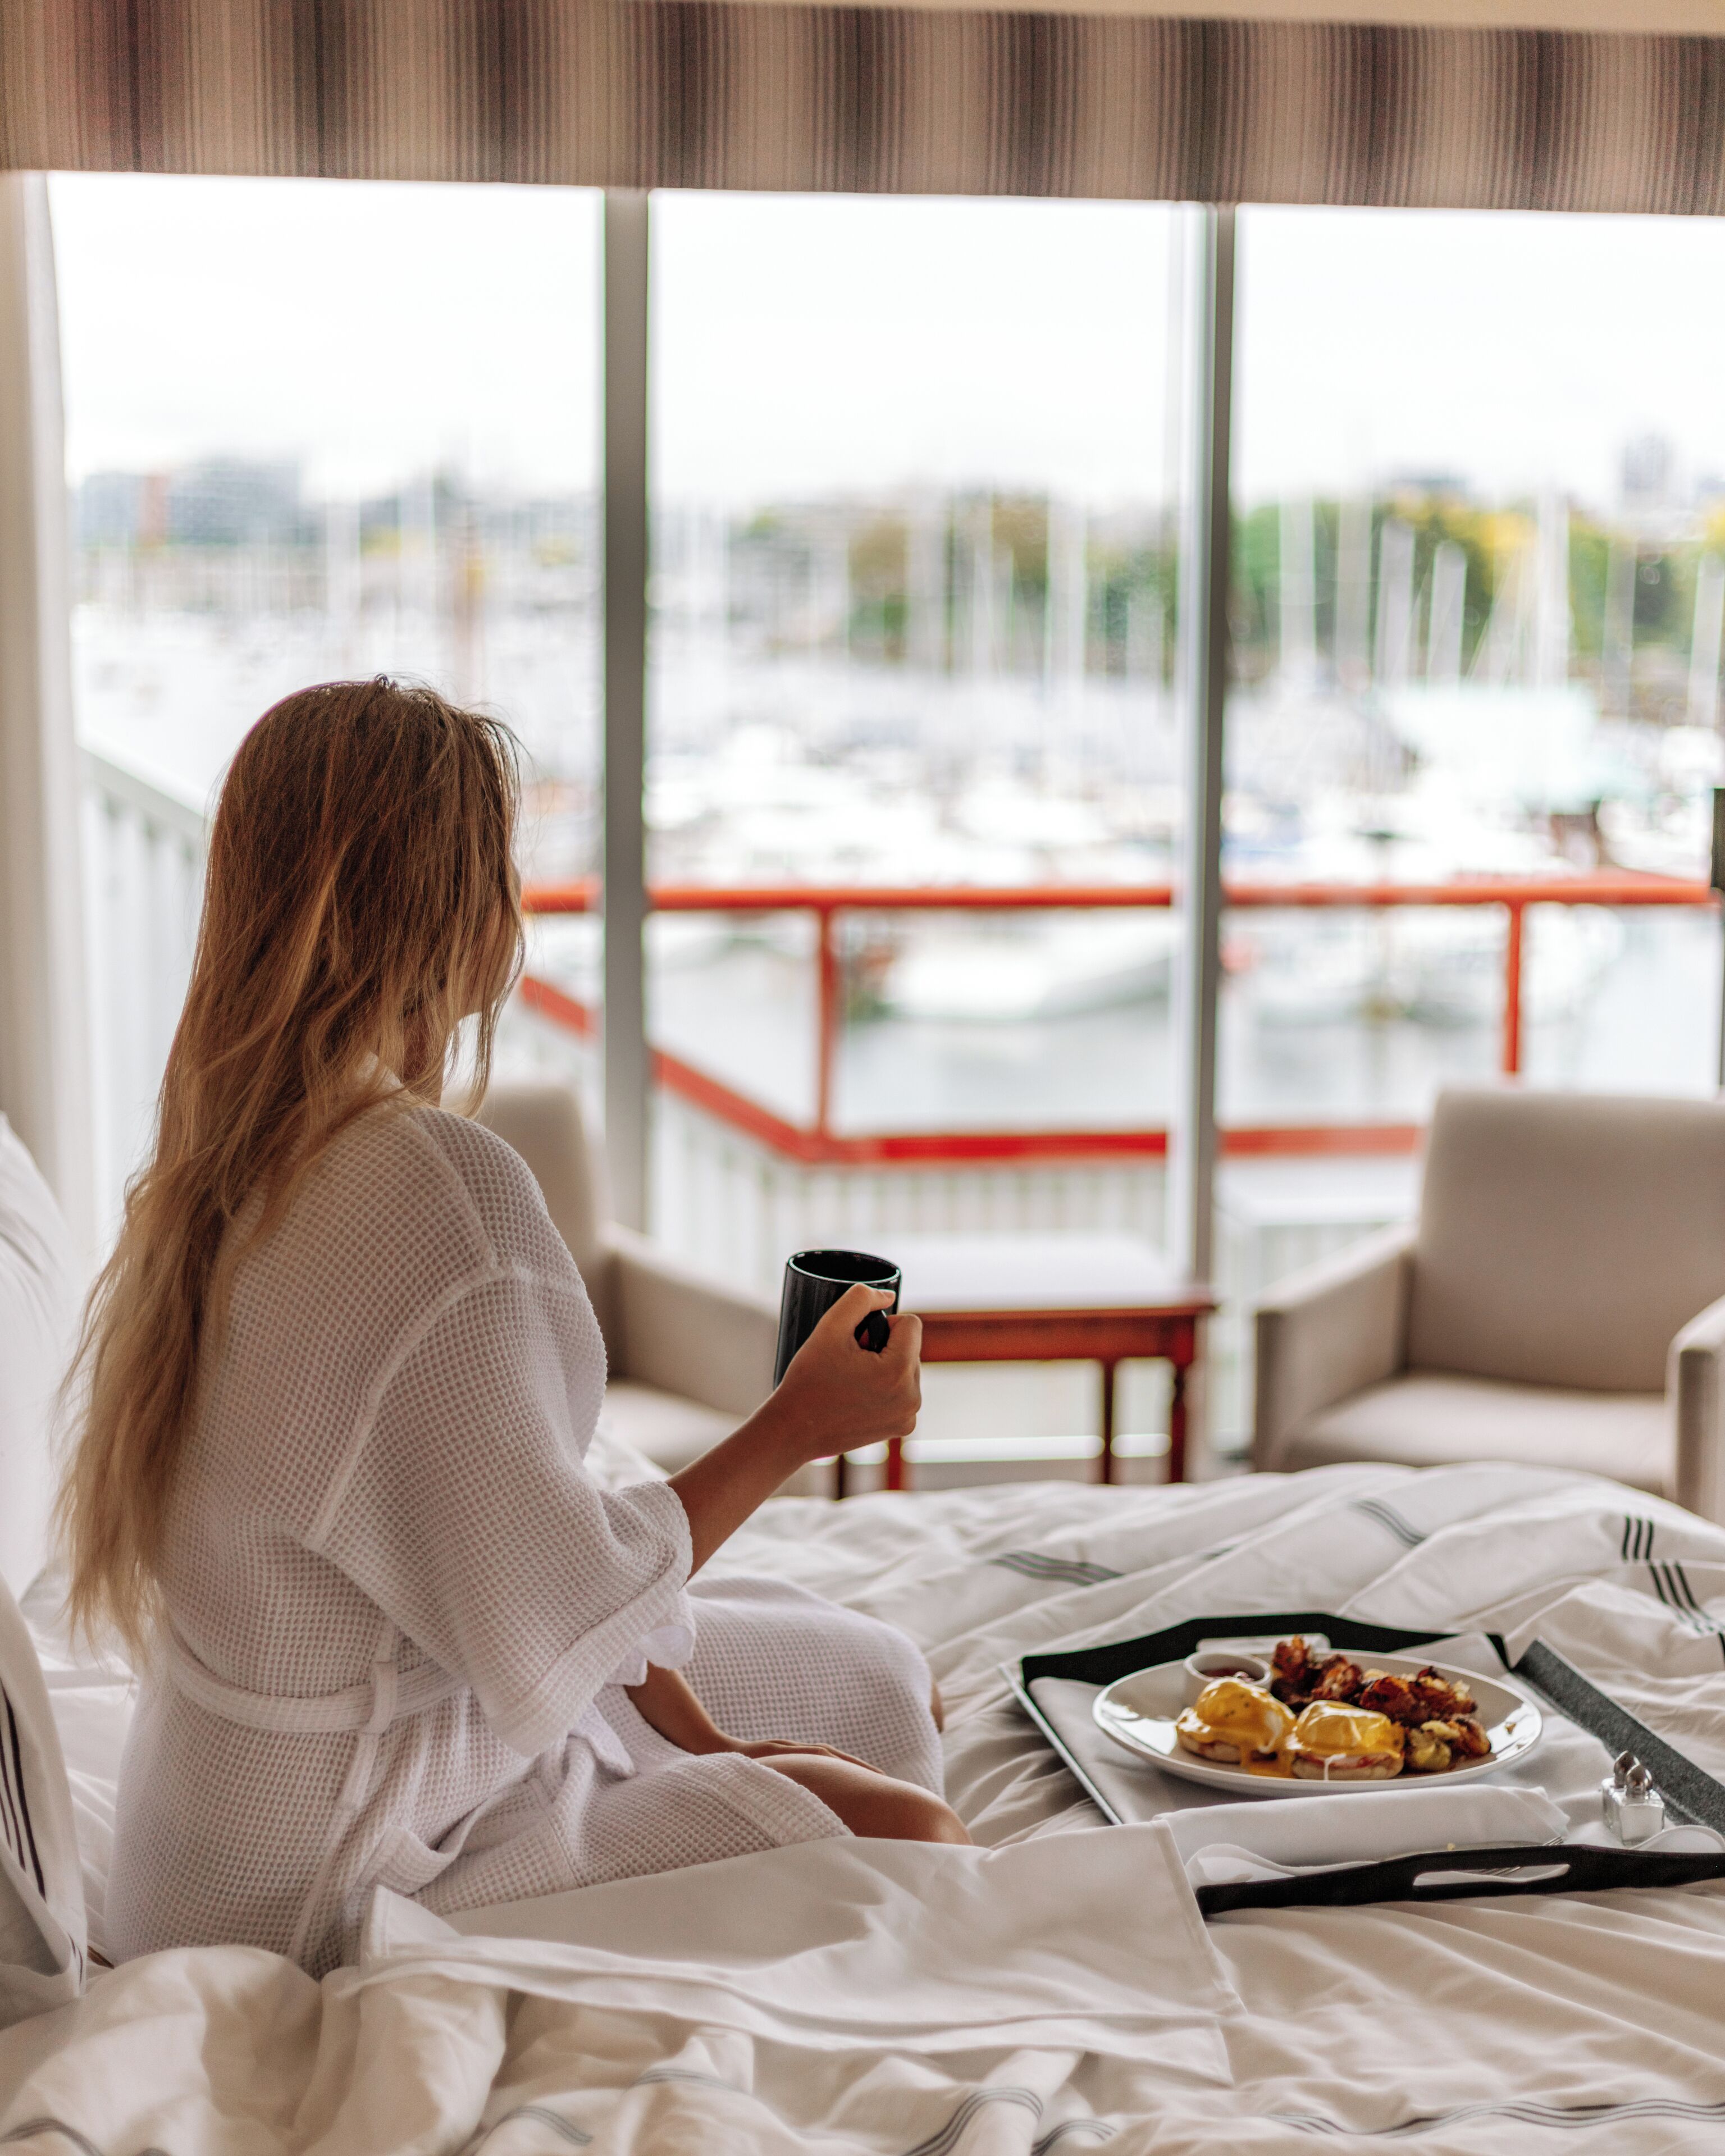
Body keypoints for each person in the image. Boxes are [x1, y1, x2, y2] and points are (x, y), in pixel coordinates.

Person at [60, 678, 965, 1979]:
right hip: (322, 1878)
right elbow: (555, 1597)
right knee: (916, 1833)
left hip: (213, 1838)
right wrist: (802, 1425)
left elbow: (523, 1524)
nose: (517, 909)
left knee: (879, 1682)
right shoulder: (429, 1194)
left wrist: (707, 1749)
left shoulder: (231, 1156)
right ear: (448, 906)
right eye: (499, 867)